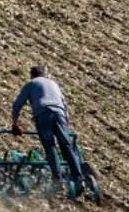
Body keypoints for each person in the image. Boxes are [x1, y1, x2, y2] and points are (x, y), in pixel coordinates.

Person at [10, 65, 86, 193]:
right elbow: (64, 104)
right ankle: (79, 179)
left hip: (44, 113)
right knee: (66, 146)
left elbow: (18, 104)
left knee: (50, 146)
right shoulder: (53, 83)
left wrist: (15, 123)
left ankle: (57, 180)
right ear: (44, 74)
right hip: (59, 113)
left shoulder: (31, 83)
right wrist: (65, 123)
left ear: (32, 75)